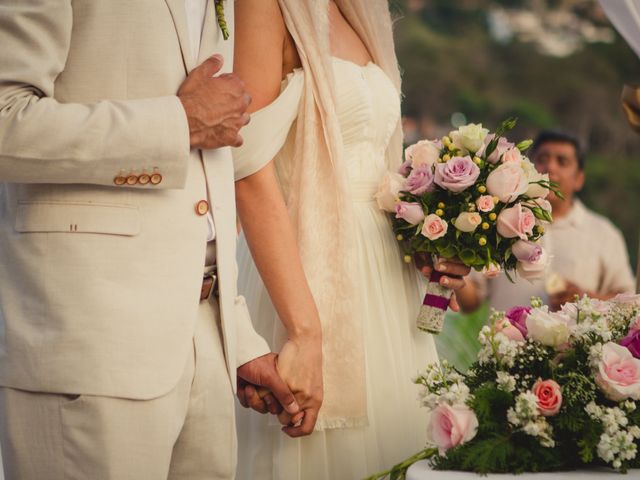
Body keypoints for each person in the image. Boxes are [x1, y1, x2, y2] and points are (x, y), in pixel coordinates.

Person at [0, 2, 310, 479]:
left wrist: (235, 336)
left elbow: (209, 159)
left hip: (204, 346)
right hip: (90, 341)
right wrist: (176, 122)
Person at [231, 1, 470, 478]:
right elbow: (248, 167)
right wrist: (304, 331)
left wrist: (428, 234)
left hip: (389, 278)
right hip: (306, 271)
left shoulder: (363, 11)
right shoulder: (264, 6)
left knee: (399, 439)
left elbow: (379, 165)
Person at [456, 130, 635, 314]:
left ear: (579, 179)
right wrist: (449, 259)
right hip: (501, 341)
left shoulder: (604, 233)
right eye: (542, 159)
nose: (550, 167)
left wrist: (587, 300)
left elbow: (630, 302)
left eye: (562, 161)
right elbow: (470, 302)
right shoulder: (500, 222)